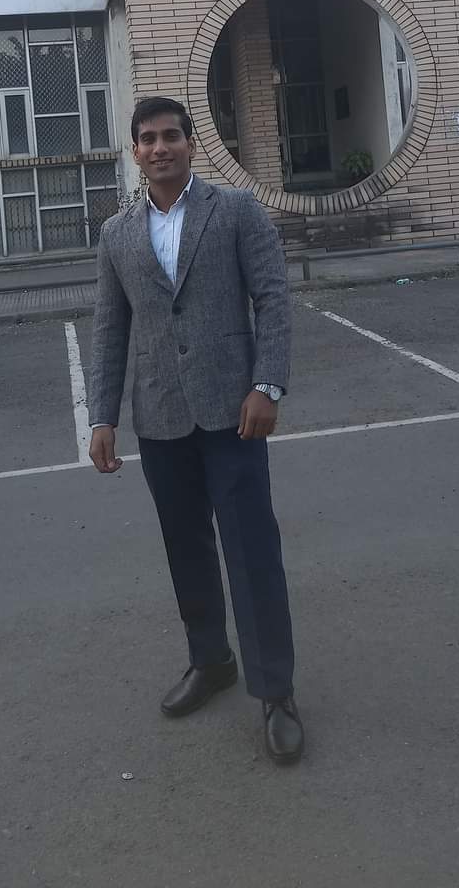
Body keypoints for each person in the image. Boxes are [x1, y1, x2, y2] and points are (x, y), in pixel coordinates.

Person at [87, 96, 303, 766]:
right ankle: (211, 662)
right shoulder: (116, 233)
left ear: (190, 143)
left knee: (251, 551)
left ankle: (276, 691)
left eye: (171, 136)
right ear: (135, 151)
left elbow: (272, 299)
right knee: (186, 551)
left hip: (234, 413)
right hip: (160, 419)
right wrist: (102, 416)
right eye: (148, 138)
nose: (160, 148)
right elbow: (110, 329)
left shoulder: (235, 211)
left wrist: (267, 384)